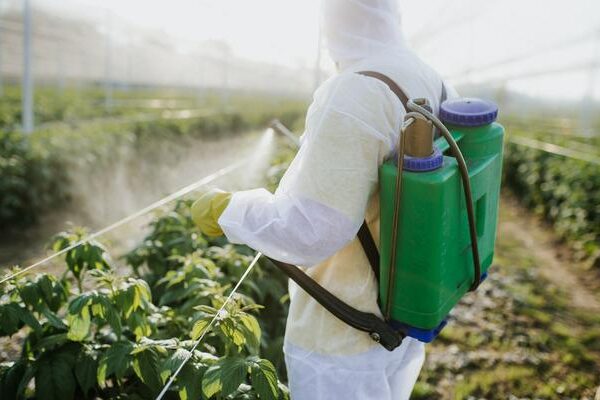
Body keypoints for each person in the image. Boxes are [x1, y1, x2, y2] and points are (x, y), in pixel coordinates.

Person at [192, 0, 455, 398]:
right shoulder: (430, 77)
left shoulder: (357, 89)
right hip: (403, 308)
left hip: (342, 335)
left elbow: (312, 230)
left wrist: (228, 209)